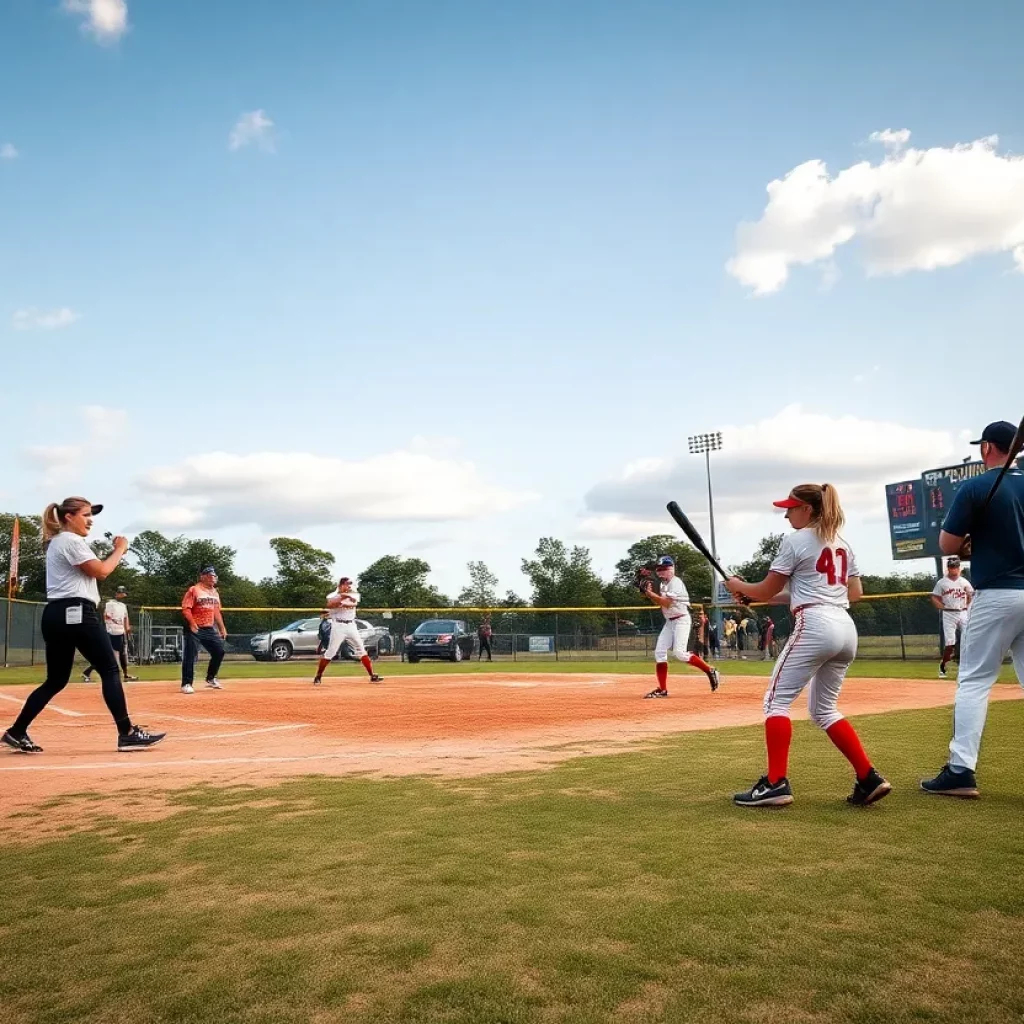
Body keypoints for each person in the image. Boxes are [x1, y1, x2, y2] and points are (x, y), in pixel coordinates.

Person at [726, 483, 890, 808]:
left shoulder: (795, 540)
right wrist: (761, 594)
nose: (786, 514)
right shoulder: (842, 543)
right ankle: (867, 777)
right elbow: (853, 594)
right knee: (824, 709)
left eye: (791, 508)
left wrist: (738, 586)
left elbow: (766, 588)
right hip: (845, 628)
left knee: (776, 702)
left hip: (815, 624)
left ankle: (775, 783)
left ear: (807, 510)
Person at [2, 498, 164, 753]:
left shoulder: (58, 542)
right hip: (76, 610)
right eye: (86, 515)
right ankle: (127, 733)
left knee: (55, 680)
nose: (90, 520)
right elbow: (100, 571)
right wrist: (120, 549)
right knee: (110, 670)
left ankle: (17, 731)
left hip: (55, 612)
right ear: (68, 517)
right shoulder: (70, 540)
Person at [922, 421, 1024, 799]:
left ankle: (960, 770)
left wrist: (968, 543)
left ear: (986, 448)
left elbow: (948, 543)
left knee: (975, 681)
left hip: (997, 592)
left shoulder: (977, 487)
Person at [642, 555, 720, 698]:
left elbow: (667, 603)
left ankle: (710, 670)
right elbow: (660, 603)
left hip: (681, 620)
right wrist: (649, 595)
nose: (660, 572)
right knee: (659, 652)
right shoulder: (663, 584)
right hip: (669, 622)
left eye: (663, 569)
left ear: (671, 569)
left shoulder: (675, 583)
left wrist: (650, 593)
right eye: (658, 569)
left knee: (679, 653)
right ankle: (662, 689)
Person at [313, 577, 383, 686]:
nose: (349, 586)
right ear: (340, 585)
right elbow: (331, 604)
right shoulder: (332, 595)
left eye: (349, 584)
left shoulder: (354, 593)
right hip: (338, 625)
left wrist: (342, 599)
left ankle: (372, 675)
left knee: (361, 649)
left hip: (351, 625)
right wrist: (342, 598)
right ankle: (318, 676)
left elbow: (353, 603)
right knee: (331, 652)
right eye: (346, 584)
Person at [181, 566, 227, 694]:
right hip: (195, 627)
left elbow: (216, 611)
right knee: (191, 655)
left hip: (208, 627)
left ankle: (211, 678)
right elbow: (186, 608)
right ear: (202, 577)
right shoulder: (194, 590)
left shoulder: (214, 592)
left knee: (219, 651)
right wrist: (191, 623)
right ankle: (186, 683)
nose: (213, 578)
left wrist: (221, 627)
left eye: (214, 576)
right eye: (210, 576)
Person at [83, 584, 138, 683]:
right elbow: (106, 617)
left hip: (120, 632)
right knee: (107, 655)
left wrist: (127, 628)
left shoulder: (123, 606)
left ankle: (125, 675)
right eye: (121, 593)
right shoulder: (110, 604)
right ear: (116, 594)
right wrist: (113, 622)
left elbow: (125, 618)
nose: (123, 595)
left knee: (122, 654)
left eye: (124, 593)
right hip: (111, 632)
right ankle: (87, 672)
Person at [930, 556, 974, 678]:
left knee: (968, 638)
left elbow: (971, 594)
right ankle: (943, 666)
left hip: (962, 612)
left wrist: (967, 606)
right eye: (951, 567)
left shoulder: (964, 581)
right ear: (948, 568)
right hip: (949, 613)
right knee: (950, 642)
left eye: (955, 567)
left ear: (959, 568)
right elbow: (934, 597)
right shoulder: (942, 582)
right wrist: (941, 607)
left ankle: (966, 666)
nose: (953, 569)